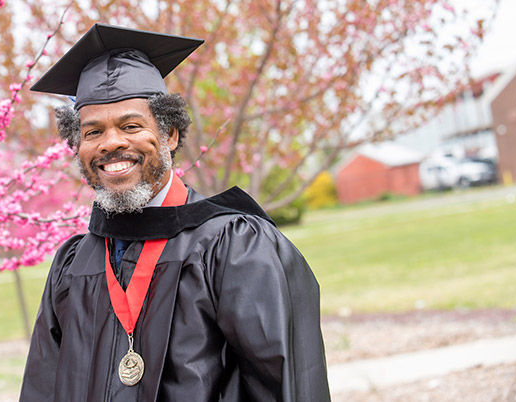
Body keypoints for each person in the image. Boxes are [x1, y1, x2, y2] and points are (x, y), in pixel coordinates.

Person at [20, 23, 330, 402]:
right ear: (77, 145)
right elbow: (42, 388)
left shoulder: (233, 246)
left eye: (131, 126)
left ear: (169, 135)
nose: (112, 143)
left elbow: (284, 387)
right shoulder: (72, 264)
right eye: (93, 132)